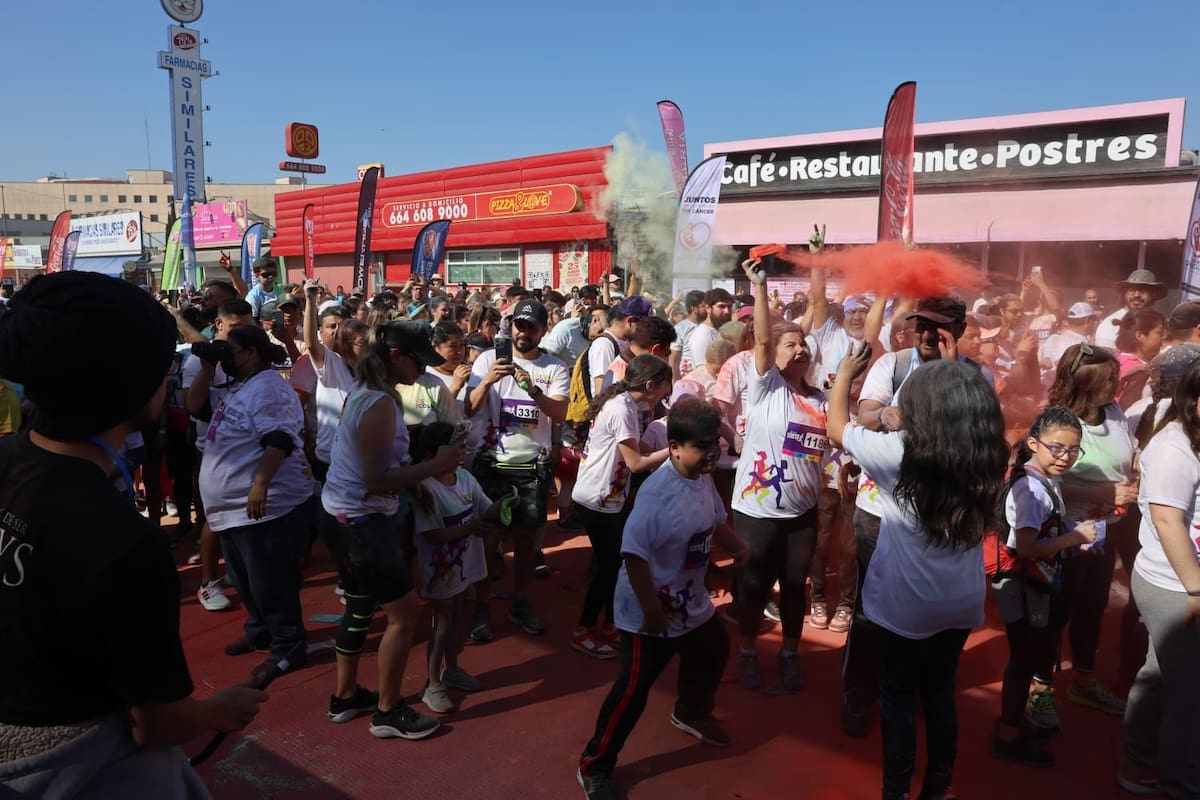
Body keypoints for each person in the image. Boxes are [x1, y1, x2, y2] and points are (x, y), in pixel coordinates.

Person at [0, 272, 266, 797]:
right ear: (138, 387)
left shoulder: (6, 459)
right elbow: (156, 726)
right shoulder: (124, 541)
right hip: (76, 762)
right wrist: (220, 709)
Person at [830, 349, 1009, 800]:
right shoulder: (988, 454)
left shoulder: (900, 452)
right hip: (962, 601)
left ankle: (896, 792)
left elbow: (837, 429)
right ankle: (938, 787)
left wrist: (847, 378)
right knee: (940, 693)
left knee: (897, 698)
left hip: (904, 604)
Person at [577, 398, 749, 800]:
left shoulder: (700, 476)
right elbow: (634, 555)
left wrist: (739, 547)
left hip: (689, 601)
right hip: (648, 609)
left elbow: (715, 520)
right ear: (674, 447)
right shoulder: (656, 495)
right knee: (634, 688)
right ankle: (594, 764)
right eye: (703, 445)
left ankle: (690, 711)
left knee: (714, 647)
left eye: (715, 443)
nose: (713, 452)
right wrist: (651, 609)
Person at [320, 321, 463, 738]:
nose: (423, 370)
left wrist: (417, 471)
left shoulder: (370, 394)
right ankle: (388, 711)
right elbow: (376, 479)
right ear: (396, 356)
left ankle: (346, 697)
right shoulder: (381, 403)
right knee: (404, 616)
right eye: (419, 361)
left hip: (343, 516)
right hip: (362, 523)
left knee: (360, 607)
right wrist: (436, 466)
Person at [989, 407, 1098, 766]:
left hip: (1033, 584)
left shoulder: (1042, 477)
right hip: (1024, 586)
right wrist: (1074, 538)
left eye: (1073, 450)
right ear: (1034, 443)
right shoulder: (1029, 490)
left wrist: (1068, 530)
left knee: (1028, 657)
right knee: (1022, 660)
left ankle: (1014, 723)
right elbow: (1026, 547)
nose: (1065, 457)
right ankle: (1008, 734)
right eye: (1058, 448)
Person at [1120, 358, 1200, 798]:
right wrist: (1196, 588)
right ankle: (1181, 784)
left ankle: (1141, 758)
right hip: (1176, 584)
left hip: (1180, 582)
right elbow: (1168, 522)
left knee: (1162, 672)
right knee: (1191, 693)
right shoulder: (1174, 447)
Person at [466, 299, 569, 637]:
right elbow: (468, 408)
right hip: (491, 461)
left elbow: (560, 414)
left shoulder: (554, 367)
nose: (523, 332)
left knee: (526, 542)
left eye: (531, 327)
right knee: (488, 540)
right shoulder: (486, 359)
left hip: (532, 467)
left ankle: (521, 602)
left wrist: (533, 390)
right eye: (518, 325)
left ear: (543, 330)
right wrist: (486, 382)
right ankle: (481, 607)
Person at [1047, 343, 1138, 720]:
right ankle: (1038, 688)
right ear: (1084, 384)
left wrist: (1136, 469)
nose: (1117, 385)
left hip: (1106, 531)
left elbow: (1126, 453)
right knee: (1056, 612)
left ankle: (1083, 681)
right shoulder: (1059, 422)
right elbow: (1044, 478)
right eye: (1109, 380)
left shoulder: (1113, 411)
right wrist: (1102, 491)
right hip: (1067, 533)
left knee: (1092, 608)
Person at [570, 355, 673, 659]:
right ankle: (583, 629)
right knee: (610, 568)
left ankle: (608, 623)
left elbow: (635, 449)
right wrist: (675, 451)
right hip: (597, 501)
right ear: (652, 385)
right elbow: (637, 463)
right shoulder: (622, 408)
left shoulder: (625, 404)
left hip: (606, 499)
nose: (668, 393)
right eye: (667, 387)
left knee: (614, 565)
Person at [411, 422, 506, 713]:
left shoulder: (465, 478)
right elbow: (432, 535)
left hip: (462, 567)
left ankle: (451, 670)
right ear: (431, 454)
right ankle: (432, 683)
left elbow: (484, 507)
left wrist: (503, 505)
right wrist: (473, 527)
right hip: (440, 571)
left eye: (464, 446)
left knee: (454, 621)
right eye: (457, 446)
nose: (464, 451)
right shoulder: (425, 489)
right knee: (441, 625)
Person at [1096, 269, 1168, 351]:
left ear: (1153, 294)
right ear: (1125, 294)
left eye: (1143, 290)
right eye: (1131, 290)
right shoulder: (1109, 325)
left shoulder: (1158, 324)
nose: (1136, 295)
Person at [1114, 308, 1166, 408]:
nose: (1163, 337)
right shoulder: (1133, 368)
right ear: (1140, 336)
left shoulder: (1119, 359)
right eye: (1159, 333)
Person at [671, 290, 708, 378]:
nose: (707, 309)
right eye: (703, 306)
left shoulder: (709, 327)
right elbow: (674, 359)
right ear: (693, 308)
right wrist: (675, 382)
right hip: (687, 378)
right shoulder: (680, 328)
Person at [244, 256, 284, 321]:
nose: (271, 277)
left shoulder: (280, 290)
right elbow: (253, 320)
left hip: (279, 325)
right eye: (266, 274)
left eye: (274, 274)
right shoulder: (253, 295)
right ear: (257, 275)